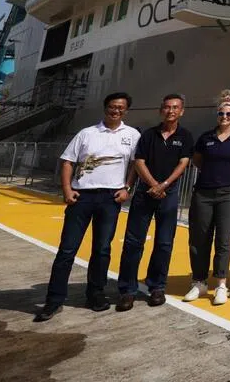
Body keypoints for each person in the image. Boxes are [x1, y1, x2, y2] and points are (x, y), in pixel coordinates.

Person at [34, 92, 141, 322]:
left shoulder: (132, 135)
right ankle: (54, 299)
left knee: (102, 249)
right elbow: (67, 161)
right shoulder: (87, 133)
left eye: (121, 107)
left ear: (126, 110)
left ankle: (95, 293)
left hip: (111, 198)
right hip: (82, 196)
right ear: (105, 108)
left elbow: (134, 164)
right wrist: (66, 189)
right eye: (112, 106)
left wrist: (127, 188)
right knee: (67, 249)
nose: (116, 110)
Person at [115, 93, 194, 311]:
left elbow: (184, 162)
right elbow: (139, 161)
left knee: (164, 242)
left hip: (169, 193)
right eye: (167, 107)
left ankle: (157, 286)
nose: (171, 111)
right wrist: (153, 185)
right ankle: (127, 290)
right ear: (162, 110)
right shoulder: (149, 135)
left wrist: (164, 185)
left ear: (182, 111)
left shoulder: (185, 136)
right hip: (145, 193)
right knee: (133, 242)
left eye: (175, 107)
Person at [184, 90, 230, 306]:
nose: (224, 117)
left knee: (224, 239)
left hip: (228, 193)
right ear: (217, 115)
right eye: (221, 114)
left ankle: (221, 283)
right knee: (199, 238)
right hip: (204, 192)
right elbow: (198, 160)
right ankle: (199, 282)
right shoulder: (206, 138)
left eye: (228, 114)